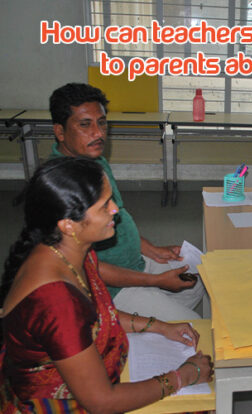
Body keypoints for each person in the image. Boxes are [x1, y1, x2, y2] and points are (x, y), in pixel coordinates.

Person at [0, 157, 213, 413]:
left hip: (91, 372)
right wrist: (182, 377)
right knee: (200, 402)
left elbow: (99, 315)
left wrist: (159, 326)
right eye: (104, 206)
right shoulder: (56, 301)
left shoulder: (70, 250)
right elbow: (101, 402)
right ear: (68, 224)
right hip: (58, 403)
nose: (115, 209)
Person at [49, 82, 204, 321]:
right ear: (60, 132)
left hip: (136, 263)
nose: (98, 133)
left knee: (199, 275)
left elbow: (119, 216)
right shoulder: (61, 188)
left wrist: (153, 250)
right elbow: (90, 268)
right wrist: (156, 281)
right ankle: (137, 323)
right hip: (112, 287)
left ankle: (155, 320)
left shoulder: (95, 161)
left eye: (101, 122)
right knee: (194, 329)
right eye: (85, 125)